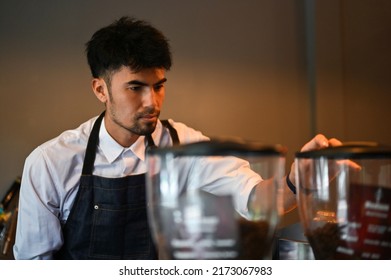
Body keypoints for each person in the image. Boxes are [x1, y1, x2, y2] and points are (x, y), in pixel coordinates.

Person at [13, 16, 340, 260]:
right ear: (100, 89)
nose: (151, 102)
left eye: (158, 85)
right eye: (135, 88)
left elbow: (256, 200)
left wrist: (298, 181)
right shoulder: (50, 163)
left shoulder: (184, 145)